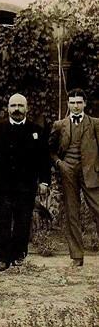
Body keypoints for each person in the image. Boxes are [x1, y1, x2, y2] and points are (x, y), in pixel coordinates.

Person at [0, 93, 50, 272]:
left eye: (20, 106)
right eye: (13, 106)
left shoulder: (37, 131)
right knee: (2, 222)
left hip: (26, 186)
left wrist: (44, 181)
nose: (17, 109)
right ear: (8, 109)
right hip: (3, 186)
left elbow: (44, 159)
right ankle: (3, 259)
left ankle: (19, 255)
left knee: (23, 221)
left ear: (27, 108)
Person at [49, 88, 99, 267]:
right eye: (72, 103)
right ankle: (77, 256)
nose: (76, 106)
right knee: (72, 213)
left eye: (79, 102)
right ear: (68, 104)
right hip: (68, 172)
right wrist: (59, 164)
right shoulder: (59, 125)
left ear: (85, 104)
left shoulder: (95, 123)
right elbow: (50, 150)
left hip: (90, 172)